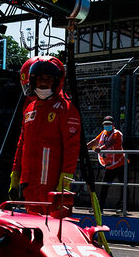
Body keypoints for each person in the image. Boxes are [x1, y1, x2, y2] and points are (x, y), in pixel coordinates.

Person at [11, 57, 81, 211]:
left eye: (48, 79)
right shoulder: (29, 109)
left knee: (54, 230)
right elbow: (21, 144)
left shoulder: (66, 109)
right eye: (40, 79)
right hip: (29, 185)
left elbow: (72, 149)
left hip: (52, 186)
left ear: (57, 82)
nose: (43, 83)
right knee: (32, 230)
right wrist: (15, 175)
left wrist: (65, 180)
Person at [86, 115, 125, 210]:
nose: (107, 126)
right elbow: (95, 141)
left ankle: (122, 207)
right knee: (104, 186)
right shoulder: (103, 133)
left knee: (124, 186)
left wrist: (100, 148)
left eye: (109, 124)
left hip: (120, 164)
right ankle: (100, 208)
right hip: (109, 165)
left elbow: (110, 143)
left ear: (113, 125)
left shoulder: (117, 133)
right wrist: (84, 148)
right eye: (105, 124)